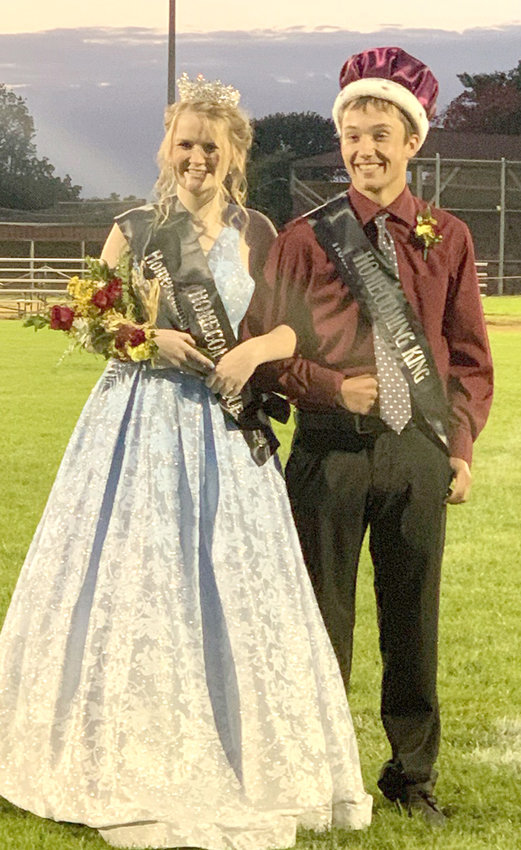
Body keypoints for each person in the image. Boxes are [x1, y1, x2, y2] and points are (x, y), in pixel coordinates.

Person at [0, 74, 372, 849]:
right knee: (136, 579)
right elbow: (97, 320)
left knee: (231, 581)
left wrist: (253, 352)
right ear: (167, 150)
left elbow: (293, 330)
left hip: (225, 427)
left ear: (234, 154)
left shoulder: (260, 232)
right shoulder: (134, 228)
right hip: (136, 422)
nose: (195, 156)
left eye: (210, 145)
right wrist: (147, 338)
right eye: (184, 143)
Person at [243, 47, 493, 825]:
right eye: (352, 133)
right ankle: (313, 772)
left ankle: (410, 774)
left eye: (381, 133)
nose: (365, 149)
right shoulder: (302, 237)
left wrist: (457, 447)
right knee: (318, 622)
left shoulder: (444, 234)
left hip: (414, 453)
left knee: (411, 618)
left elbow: (466, 355)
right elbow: (262, 347)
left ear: (412, 140)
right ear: (340, 137)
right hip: (325, 451)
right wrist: (328, 386)